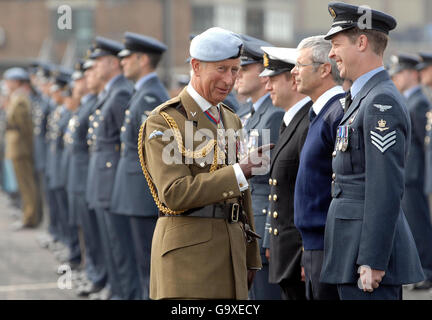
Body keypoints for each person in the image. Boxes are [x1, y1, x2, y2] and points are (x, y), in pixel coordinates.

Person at [140, 27, 265, 300]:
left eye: (235, 70)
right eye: (221, 69)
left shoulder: (230, 118)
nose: (229, 79)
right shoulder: (166, 121)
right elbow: (174, 193)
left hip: (231, 250)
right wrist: (239, 171)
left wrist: (250, 255)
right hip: (188, 259)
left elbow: (241, 197)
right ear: (195, 67)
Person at [320, 1, 425, 300]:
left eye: (337, 44)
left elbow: (385, 187)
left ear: (362, 42)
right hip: (350, 250)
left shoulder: (381, 102)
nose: (331, 53)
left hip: (365, 260)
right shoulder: (362, 97)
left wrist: (373, 258)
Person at [109, 31, 170, 299]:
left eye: (128, 58)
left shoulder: (150, 96)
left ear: (142, 59)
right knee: (138, 261)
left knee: (147, 265)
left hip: (141, 195)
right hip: (132, 192)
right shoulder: (142, 92)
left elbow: (156, 152)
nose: (122, 63)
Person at [290, 34, 345, 300]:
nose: (293, 72)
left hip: (331, 247)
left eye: (300, 65)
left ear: (325, 70)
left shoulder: (336, 114)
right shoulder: (320, 113)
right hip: (315, 246)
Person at [260, 46, 310, 300]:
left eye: (272, 79)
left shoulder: (308, 122)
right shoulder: (290, 120)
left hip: (297, 253)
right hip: (286, 251)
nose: (267, 86)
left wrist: (305, 253)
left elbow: (311, 193)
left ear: (293, 80)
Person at [235, 34, 283, 300]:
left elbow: (273, 179)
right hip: (251, 220)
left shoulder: (273, 115)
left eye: (245, 68)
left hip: (264, 221)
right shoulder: (252, 113)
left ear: (264, 74)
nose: (237, 75)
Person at [85, 37, 134, 300]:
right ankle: (114, 290)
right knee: (109, 244)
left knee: (119, 247)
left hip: (111, 178)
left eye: (98, 62)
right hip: (102, 178)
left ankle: (120, 293)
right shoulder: (111, 93)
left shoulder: (121, 93)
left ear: (113, 64)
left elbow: (125, 143)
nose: (94, 67)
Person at [389, 53, 432, 290]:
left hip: (415, 174)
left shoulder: (419, 103)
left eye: (399, 73)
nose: (395, 78)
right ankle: (421, 270)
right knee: (413, 224)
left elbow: (421, 143)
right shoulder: (410, 101)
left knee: (419, 222)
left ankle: (426, 269)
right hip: (410, 174)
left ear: (410, 73)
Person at [3, 68, 39, 230]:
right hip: (16, 146)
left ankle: (30, 217)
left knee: (26, 185)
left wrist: (26, 146)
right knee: (22, 184)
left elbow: (25, 127)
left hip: (20, 147)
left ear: (17, 82)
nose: (7, 84)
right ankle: (27, 214)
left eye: (9, 81)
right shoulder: (15, 98)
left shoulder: (20, 99)